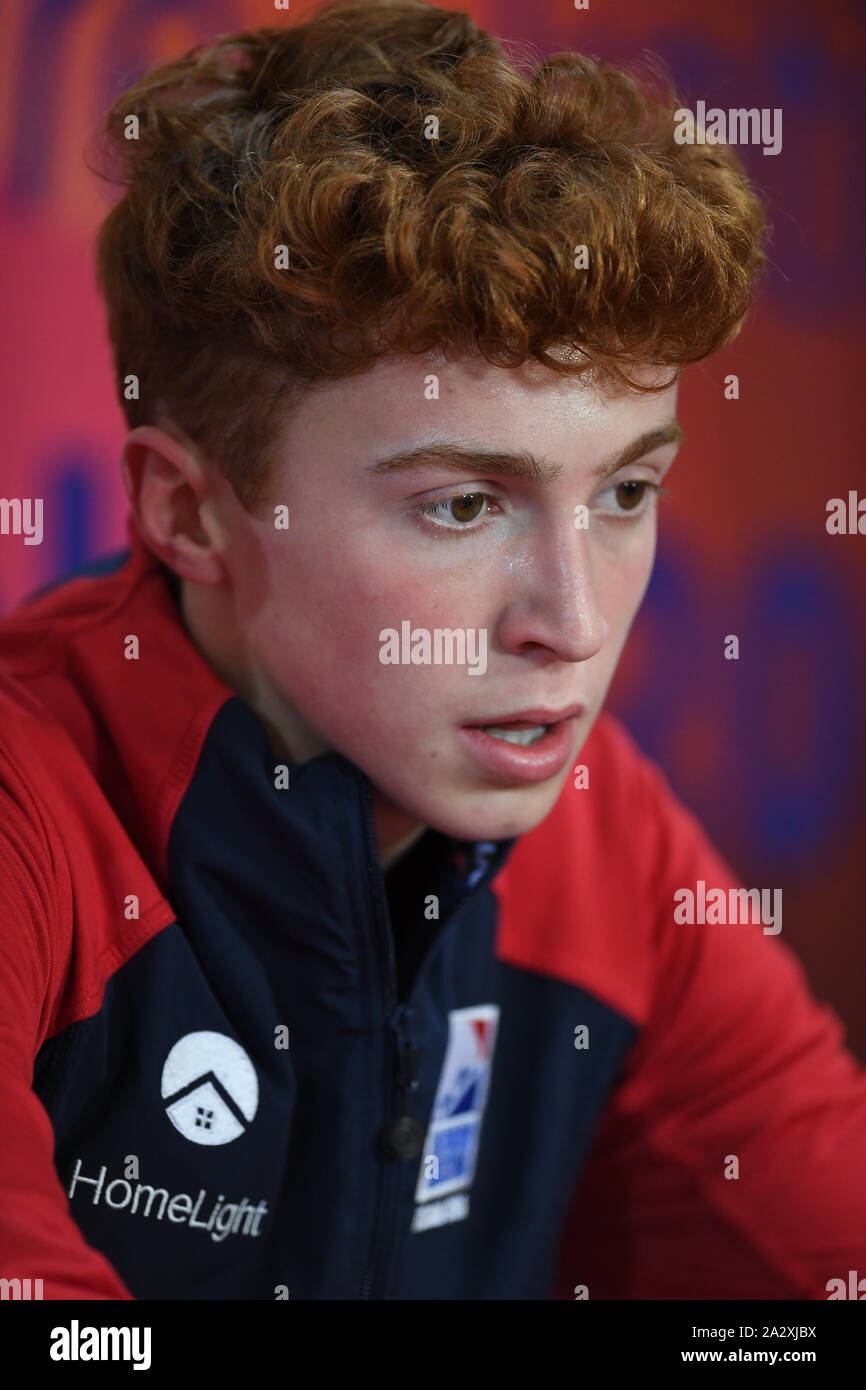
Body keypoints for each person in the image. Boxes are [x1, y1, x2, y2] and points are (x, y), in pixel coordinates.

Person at [1, 0, 863, 1300]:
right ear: (188, 511)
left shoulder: (599, 832)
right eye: (463, 504)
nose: (569, 624)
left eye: (625, 494)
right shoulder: (27, 815)